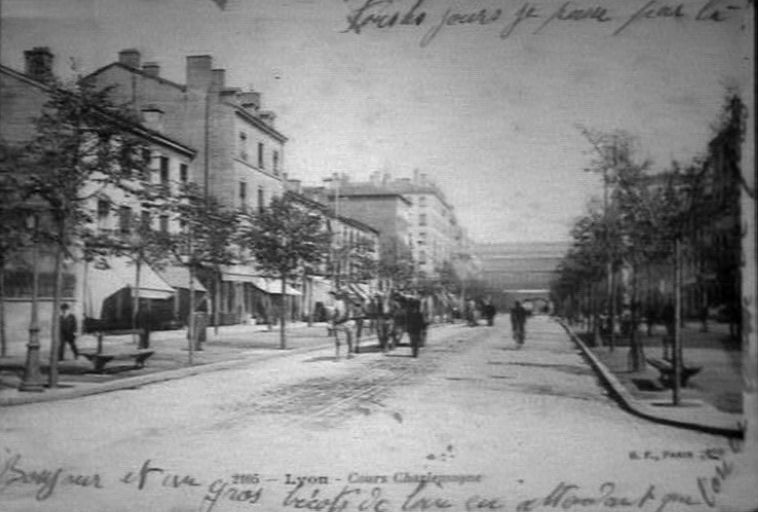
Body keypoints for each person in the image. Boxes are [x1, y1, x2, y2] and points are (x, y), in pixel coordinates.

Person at [329, 290, 354, 360]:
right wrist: (333, 320)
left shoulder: (348, 303)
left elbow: (348, 313)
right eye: (346, 295)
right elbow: (336, 312)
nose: (347, 296)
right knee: (338, 339)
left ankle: (349, 353)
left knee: (349, 337)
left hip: (346, 322)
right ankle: (338, 355)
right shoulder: (338, 302)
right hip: (341, 322)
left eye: (348, 295)